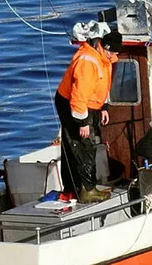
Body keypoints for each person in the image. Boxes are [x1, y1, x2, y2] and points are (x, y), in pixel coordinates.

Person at [54, 29, 122, 204]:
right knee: (82, 145)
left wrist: (103, 107)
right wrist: (82, 122)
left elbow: (102, 83)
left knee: (84, 144)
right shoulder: (88, 62)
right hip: (72, 104)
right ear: (106, 48)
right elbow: (78, 97)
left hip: (89, 105)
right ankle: (87, 190)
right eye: (114, 52)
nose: (116, 55)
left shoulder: (105, 58)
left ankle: (79, 188)